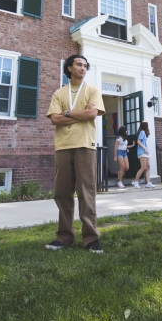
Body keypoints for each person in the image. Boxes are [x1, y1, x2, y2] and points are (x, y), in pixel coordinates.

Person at [45, 55, 106, 253]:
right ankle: (64, 236)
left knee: (86, 192)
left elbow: (92, 115)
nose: (83, 68)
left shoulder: (92, 90)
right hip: (62, 146)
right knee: (62, 193)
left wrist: (68, 113)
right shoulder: (59, 93)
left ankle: (90, 238)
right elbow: (54, 119)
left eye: (85, 65)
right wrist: (79, 114)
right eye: (79, 64)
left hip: (85, 146)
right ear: (69, 68)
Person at [132, 122, 154, 188]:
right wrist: (144, 148)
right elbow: (138, 141)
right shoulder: (142, 132)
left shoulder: (144, 132)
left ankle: (148, 182)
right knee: (143, 167)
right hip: (142, 152)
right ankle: (135, 181)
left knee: (148, 166)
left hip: (146, 152)